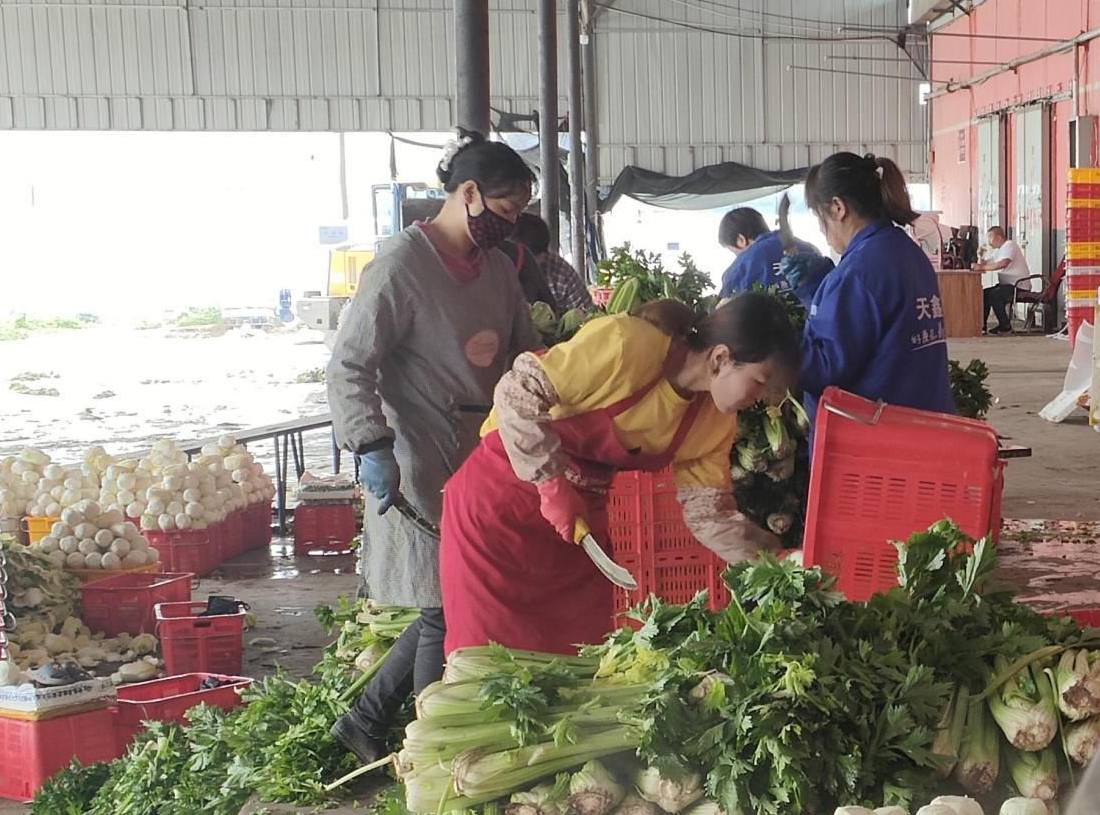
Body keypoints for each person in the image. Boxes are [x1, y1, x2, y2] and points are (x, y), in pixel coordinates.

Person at [326, 138, 541, 763]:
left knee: (446, 600)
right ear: (467, 194)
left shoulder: (496, 270)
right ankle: (433, 754)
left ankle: (364, 720)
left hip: (483, 457)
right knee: (444, 603)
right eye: (503, 209)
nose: (507, 225)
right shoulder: (401, 266)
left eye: (517, 213)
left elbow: (526, 353)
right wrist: (371, 444)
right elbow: (349, 365)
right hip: (415, 455)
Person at [438, 294, 798, 655]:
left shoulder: (715, 423)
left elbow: (710, 515)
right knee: (488, 659)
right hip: (499, 508)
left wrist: (774, 563)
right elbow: (518, 390)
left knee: (577, 661)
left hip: (577, 529)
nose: (761, 398)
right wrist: (550, 484)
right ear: (720, 358)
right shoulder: (629, 344)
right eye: (759, 382)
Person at [800, 152, 953, 421]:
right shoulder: (906, 251)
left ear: (837, 207)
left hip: (876, 435)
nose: (822, 230)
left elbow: (827, 370)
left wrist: (780, 347)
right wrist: (819, 291)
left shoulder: (858, 273)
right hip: (923, 424)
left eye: (818, 216)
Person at [719, 196, 831, 306]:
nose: (738, 258)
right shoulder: (809, 249)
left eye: (734, 252)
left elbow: (724, 308)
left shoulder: (740, 269)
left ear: (741, 240)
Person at [508, 211, 596, 315]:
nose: (531, 264)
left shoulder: (560, 272)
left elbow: (587, 312)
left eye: (540, 255)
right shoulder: (493, 270)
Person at [974, 225, 1031, 333]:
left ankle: (1005, 325)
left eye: (990, 238)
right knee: (984, 294)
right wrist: (980, 256)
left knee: (995, 295)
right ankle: (982, 326)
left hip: (1018, 285)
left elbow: (1003, 263)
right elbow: (984, 264)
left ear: (999, 237)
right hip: (1007, 285)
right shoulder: (999, 251)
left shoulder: (1010, 245)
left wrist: (982, 267)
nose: (989, 242)